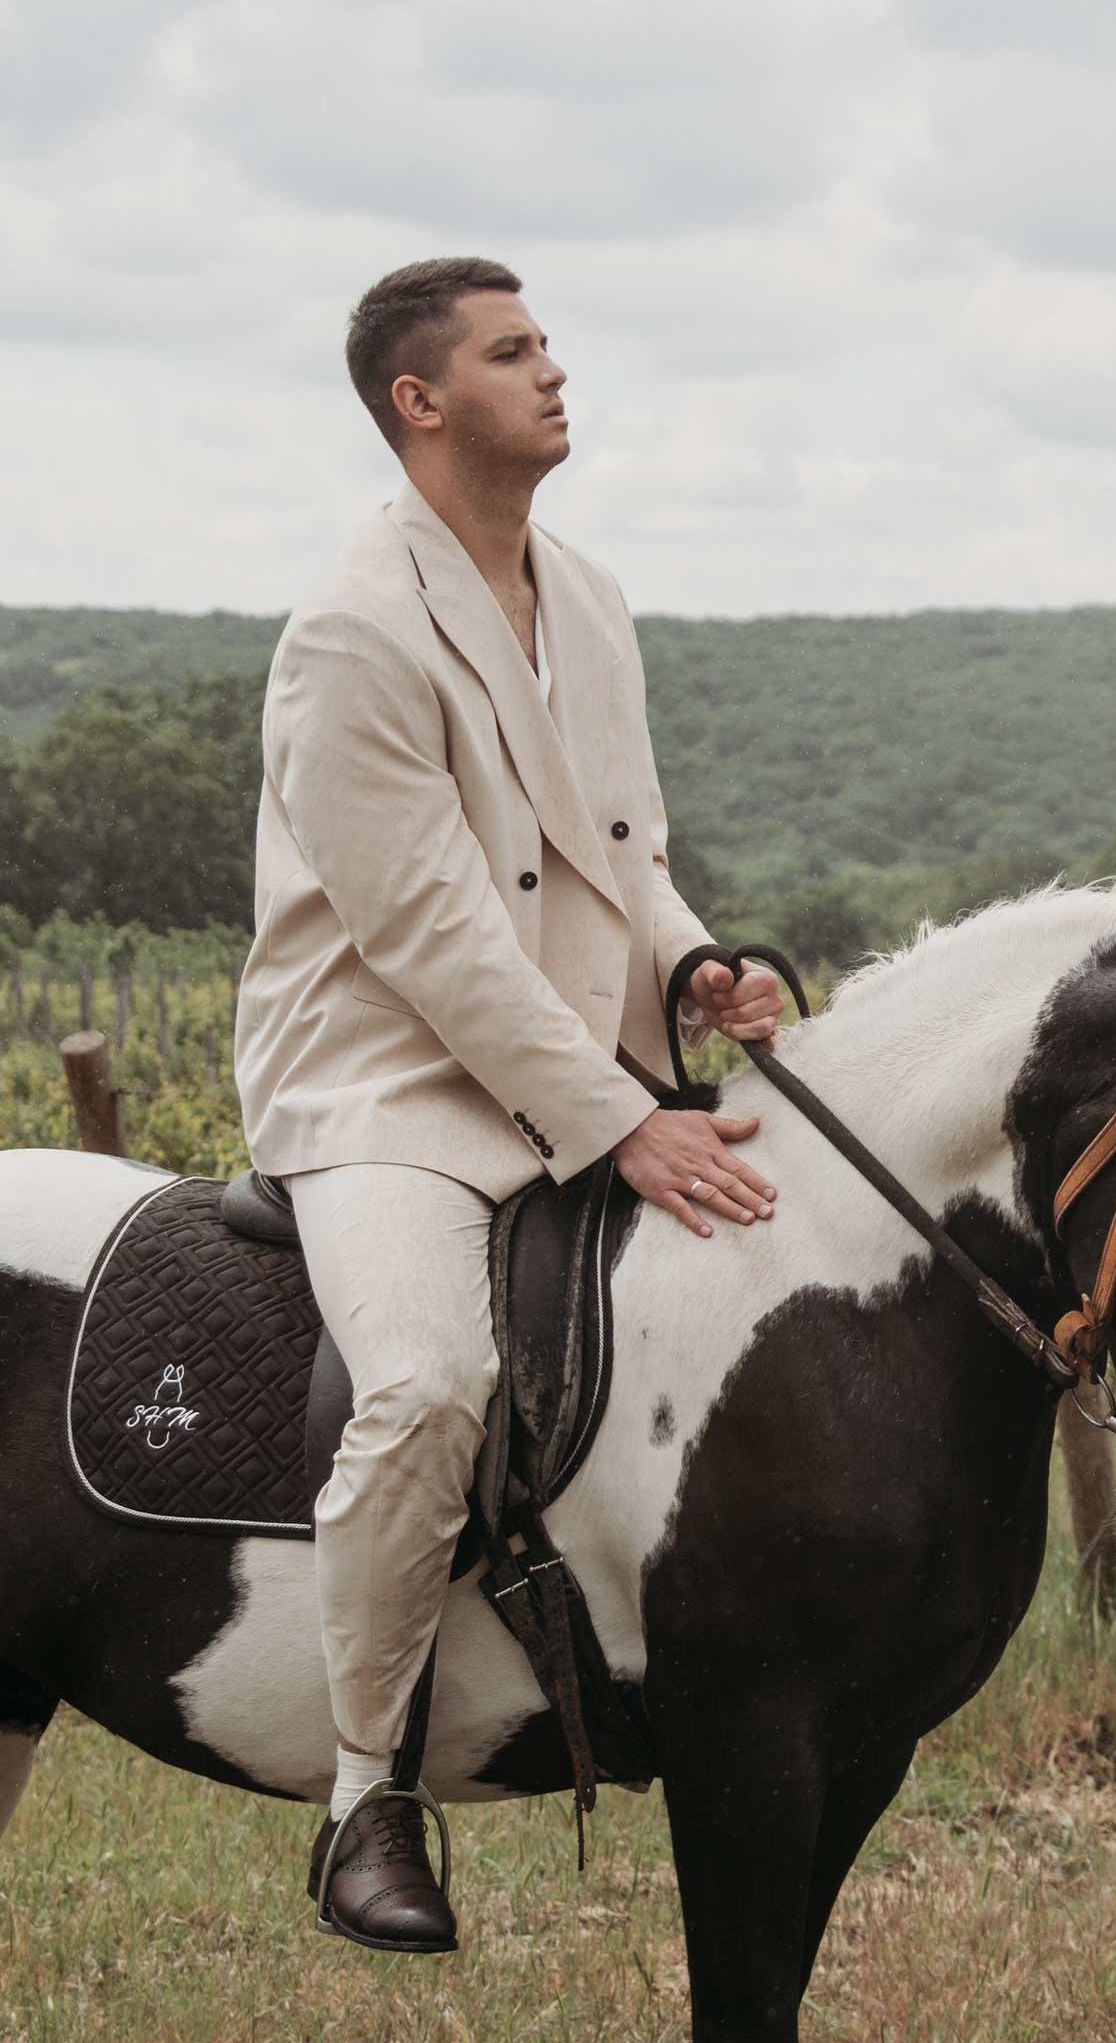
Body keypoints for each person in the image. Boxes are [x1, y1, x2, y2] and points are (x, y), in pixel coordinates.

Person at [233, 257, 785, 1950]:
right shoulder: (350, 631)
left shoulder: (589, 593)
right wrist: (624, 1122)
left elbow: (629, 854)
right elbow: (434, 937)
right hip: (389, 1077)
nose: (556, 370)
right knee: (429, 1378)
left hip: (578, 1050)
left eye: (546, 341)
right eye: (513, 351)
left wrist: (691, 970)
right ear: (423, 401)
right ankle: (363, 1797)